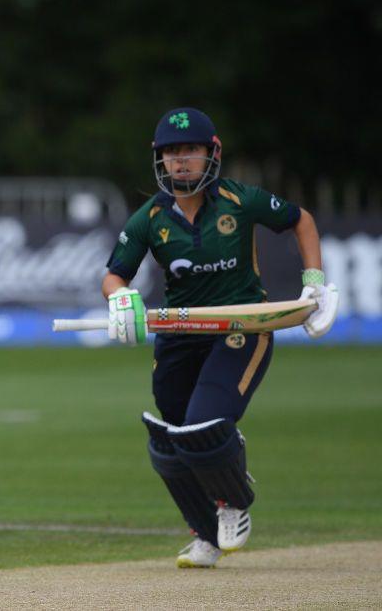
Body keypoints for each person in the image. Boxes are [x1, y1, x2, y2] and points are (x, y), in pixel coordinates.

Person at [102, 107, 338, 568]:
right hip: (180, 335)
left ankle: (233, 500)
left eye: (190, 150)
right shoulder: (150, 217)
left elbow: (301, 220)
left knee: (205, 424)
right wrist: (121, 300)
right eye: (173, 152)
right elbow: (114, 276)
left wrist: (313, 280)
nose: (182, 161)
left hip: (242, 329)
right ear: (160, 159)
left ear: (212, 153)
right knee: (170, 441)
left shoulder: (238, 199)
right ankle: (205, 534)